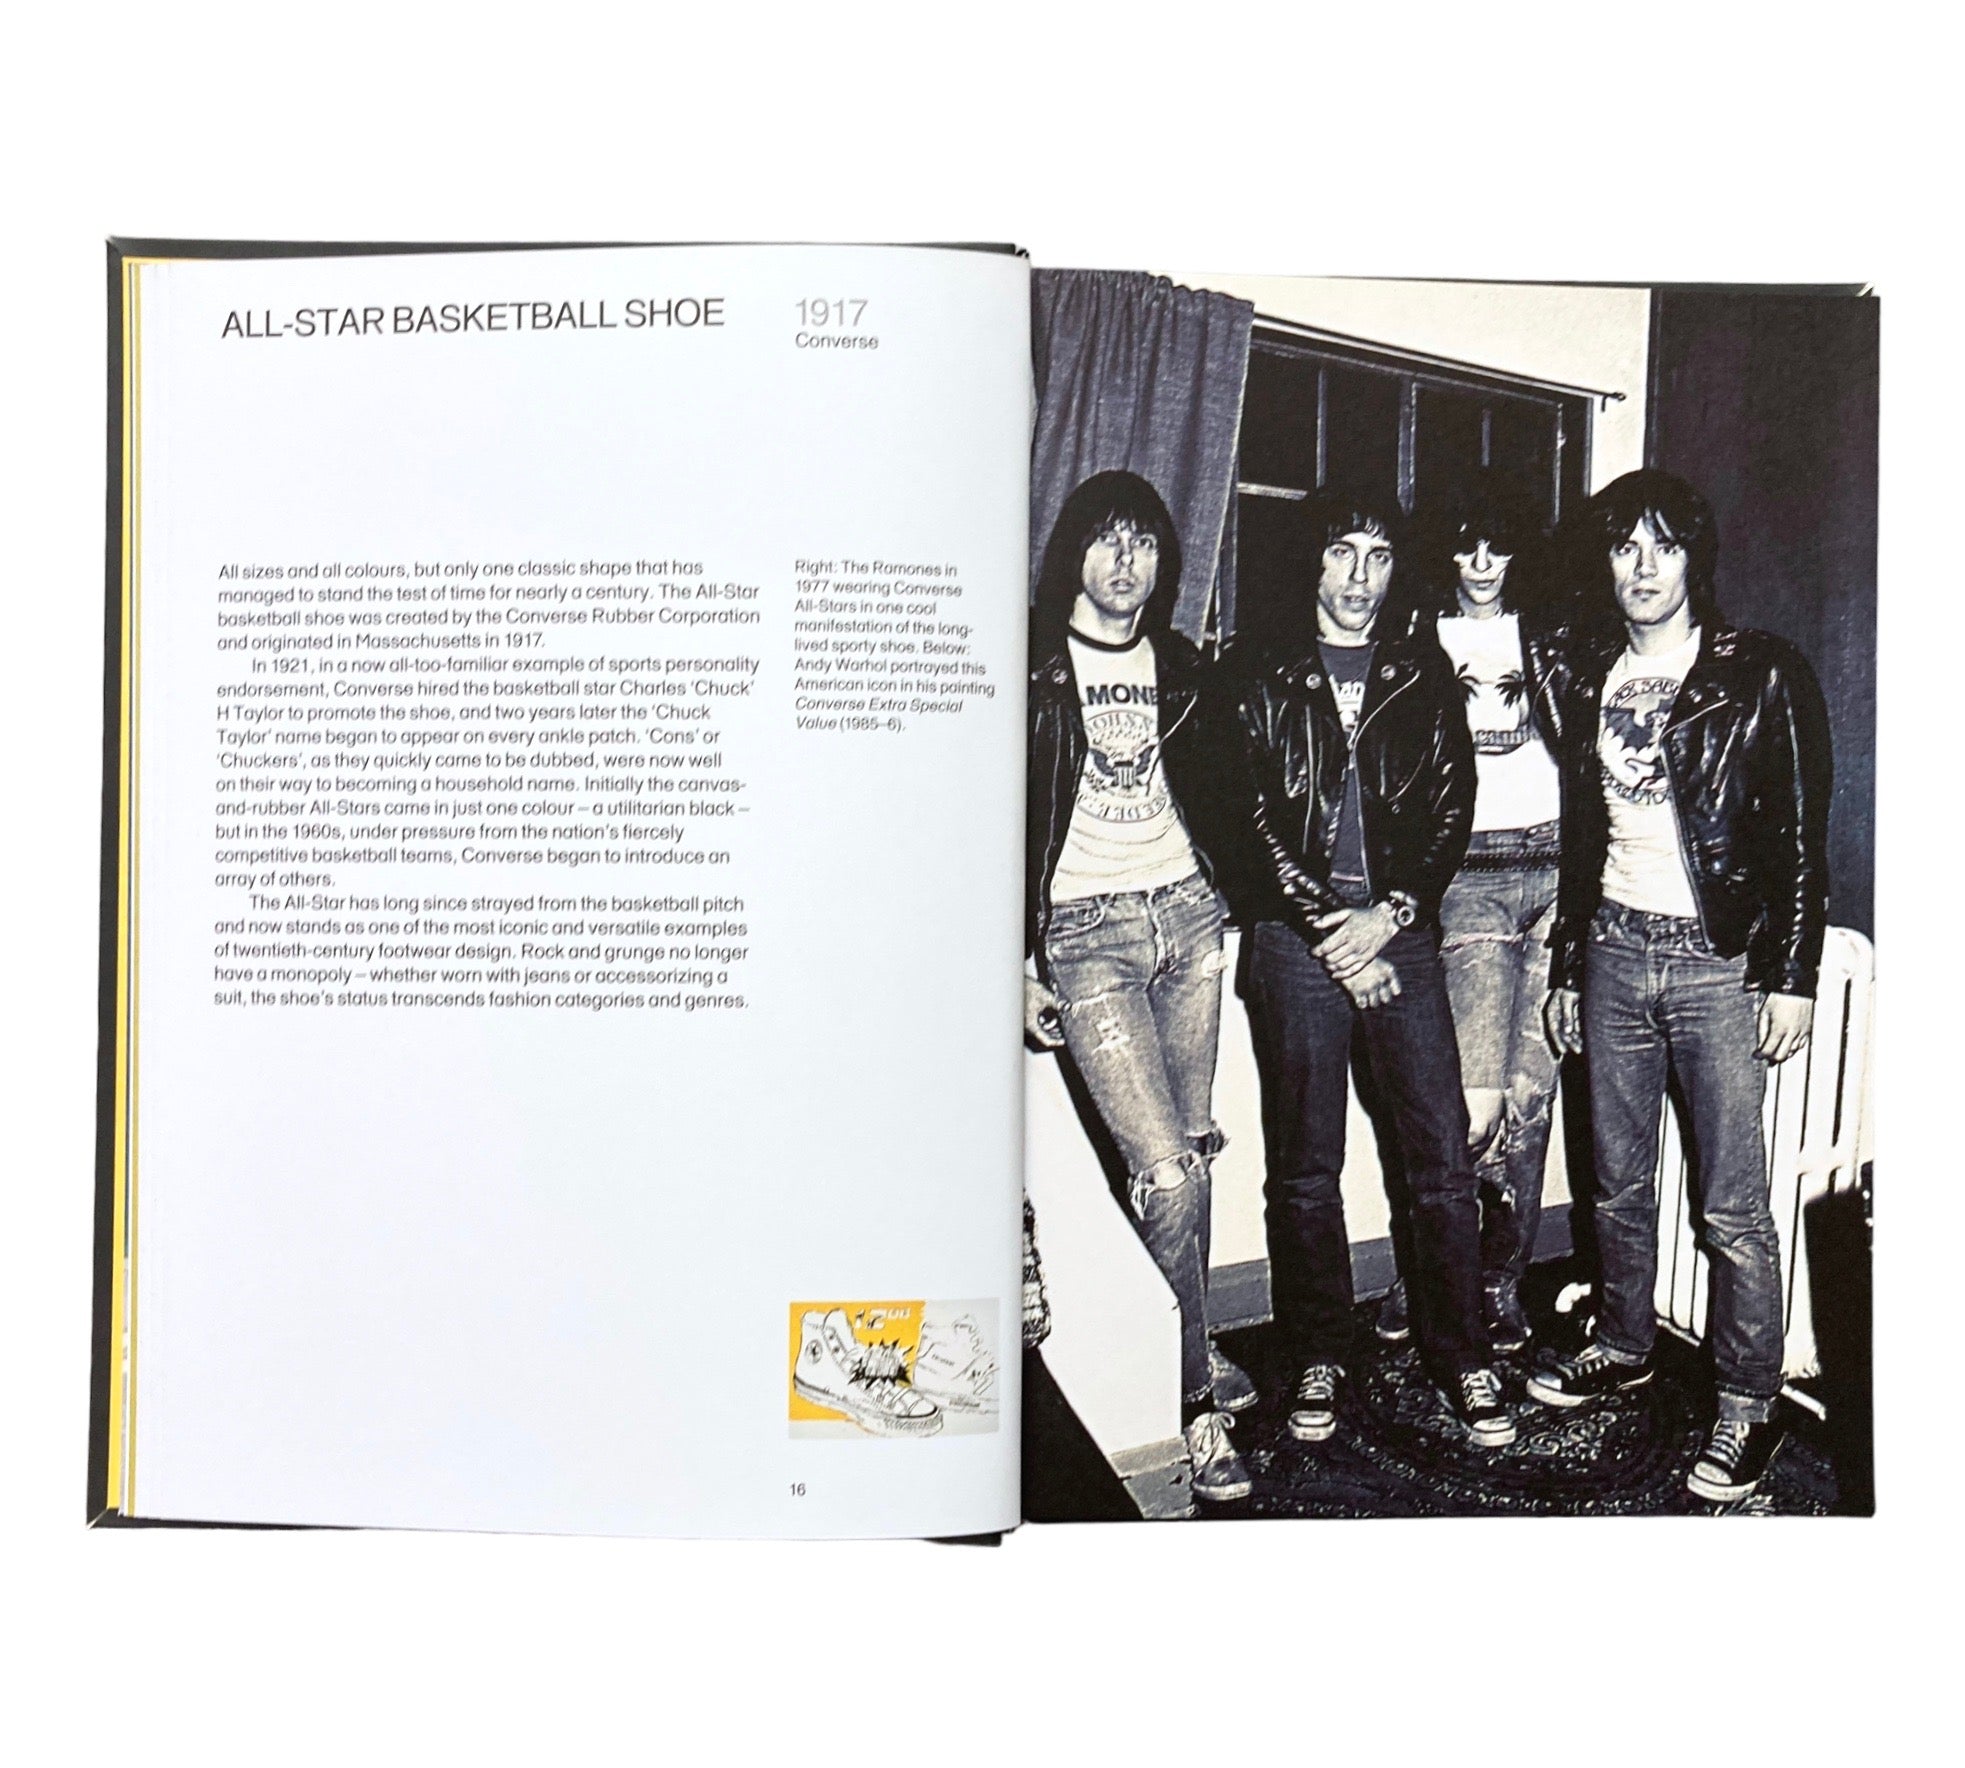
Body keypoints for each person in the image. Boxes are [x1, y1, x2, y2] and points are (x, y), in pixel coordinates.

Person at [1532, 469, 1832, 1505]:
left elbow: (1800, 836)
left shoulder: (1761, 671)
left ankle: (1748, 1401)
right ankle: (1624, 1340)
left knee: (1730, 1205)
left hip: (1717, 963)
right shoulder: (1590, 677)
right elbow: (1584, 841)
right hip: (1614, 947)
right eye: (1625, 547)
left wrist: (1790, 976)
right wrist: (1570, 964)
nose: (1644, 567)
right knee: (1614, 1182)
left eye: (1663, 546)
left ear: (1695, 559)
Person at [1220, 489, 1515, 1448]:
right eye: (1342, 552)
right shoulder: (1256, 670)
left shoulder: (1419, 672)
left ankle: (1462, 1354)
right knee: (1305, 1168)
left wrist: (1387, 916)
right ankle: (1318, 1350)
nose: (1358, 575)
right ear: (1311, 560)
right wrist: (1330, 933)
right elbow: (1245, 823)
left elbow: (1450, 809)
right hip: (1294, 943)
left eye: (1378, 557)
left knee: (1440, 1162)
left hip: (1400, 936)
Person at [1024, 469, 1253, 1506]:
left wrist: (1231, 890)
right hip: (1086, 937)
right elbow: (989, 817)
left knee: (1192, 1158)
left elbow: (1227, 795)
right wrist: (1013, 959)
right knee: (1165, 1174)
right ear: (1073, 552)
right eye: (1108, 540)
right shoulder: (1031, 670)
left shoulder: (1187, 669)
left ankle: (1182, 1341)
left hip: (1189, 922)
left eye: (1145, 543)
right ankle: (1191, 1402)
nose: (1127, 562)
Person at [1376, 486, 1570, 1355]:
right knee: (1466, 1103)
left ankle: (1496, 1283)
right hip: (1468, 877)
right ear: (1444, 555)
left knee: (1529, 1103)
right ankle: (1430, 1273)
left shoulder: (1555, 636)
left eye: (1498, 546)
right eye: (1466, 546)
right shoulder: (1415, 639)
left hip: (1557, 867)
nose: (1483, 564)